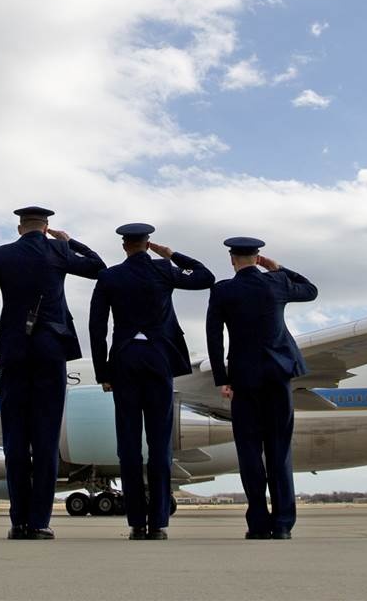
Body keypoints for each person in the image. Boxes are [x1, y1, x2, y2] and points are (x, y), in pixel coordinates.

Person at [0, 206, 105, 540]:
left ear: (20, 228)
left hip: (14, 352)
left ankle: (18, 522)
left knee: (15, 440)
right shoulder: (58, 250)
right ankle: (40, 522)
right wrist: (70, 241)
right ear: (46, 227)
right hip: (51, 350)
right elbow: (98, 268)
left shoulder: (0, 255)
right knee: (46, 440)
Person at [88, 223, 215, 541]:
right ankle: (158, 523)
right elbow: (205, 276)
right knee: (160, 445)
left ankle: (135, 522)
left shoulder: (110, 276)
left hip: (125, 361)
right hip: (159, 361)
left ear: (124, 246)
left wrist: (103, 373)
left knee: (128, 447)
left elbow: (97, 327)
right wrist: (171, 254)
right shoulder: (163, 270)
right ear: (147, 243)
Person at [205, 237, 318, 540]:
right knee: (279, 450)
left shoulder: (223, 290)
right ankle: (282, 524)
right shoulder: (277, 282)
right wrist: (278, 267)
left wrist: (222, 378)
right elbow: (310, 291)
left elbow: (213, 338)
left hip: (243, 378)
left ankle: (257, 523)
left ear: (232, 260)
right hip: (278, 374)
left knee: (250, 452)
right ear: (257, 257)